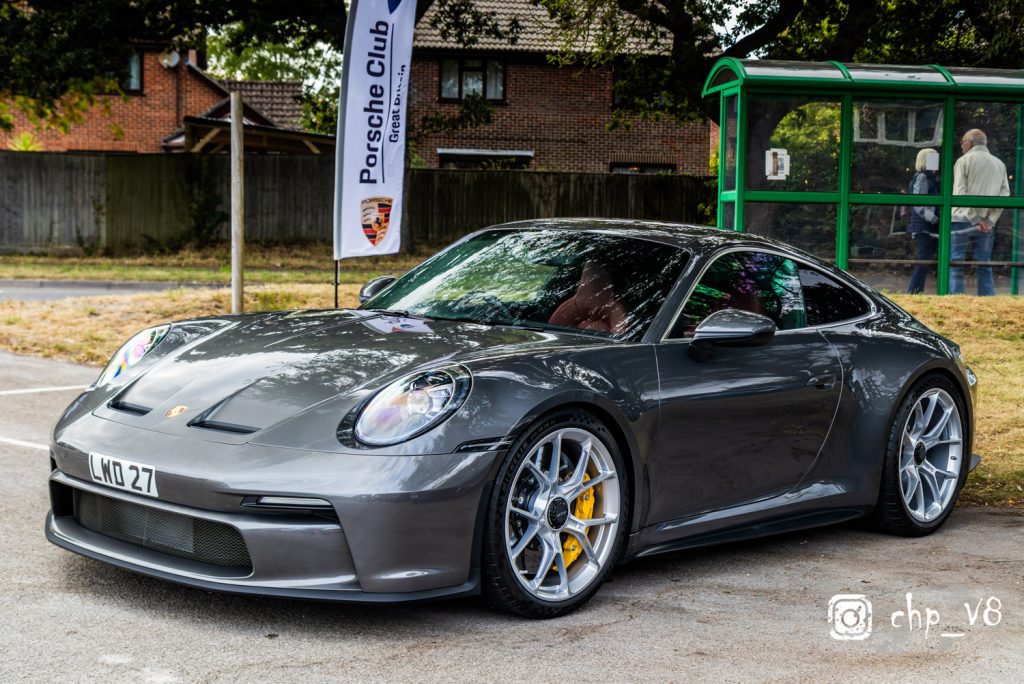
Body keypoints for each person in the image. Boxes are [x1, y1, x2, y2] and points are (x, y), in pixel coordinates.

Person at [951, 128, 1010, 295]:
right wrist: (989, 221)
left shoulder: (963, 161)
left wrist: (976, 219)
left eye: (962, 143)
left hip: (961, 220)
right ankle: (987, 298)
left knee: (956, 263)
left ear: (969, 143)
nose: (961, 146)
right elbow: (1005, 195)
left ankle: (955, 298)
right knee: (984, 263)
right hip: (986, 224)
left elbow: (959, 194)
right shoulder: (1000, 164)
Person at [906, 148, 940, 294]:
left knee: (925, 261)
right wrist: (933, 218)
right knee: (923, 261)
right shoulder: (922, 177)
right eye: (933, 159)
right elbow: (918, 202)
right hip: (924, 225)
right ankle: (913, 292)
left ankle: (917, 291)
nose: (936, 162)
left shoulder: (932, 177)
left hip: (928, 225)